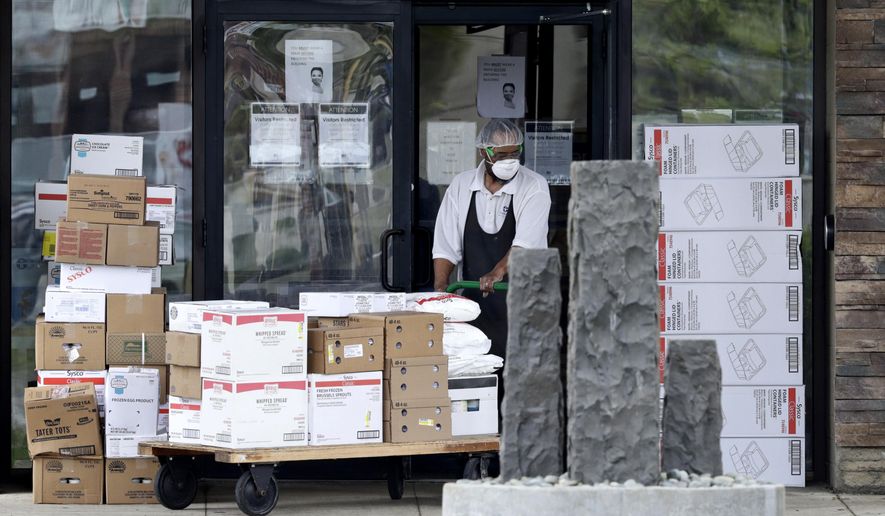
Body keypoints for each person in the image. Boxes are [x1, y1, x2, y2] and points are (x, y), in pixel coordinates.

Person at [432, 119, 551, 361]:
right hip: (474, 303)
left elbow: (526, 244)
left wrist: (497, 273)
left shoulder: (534, 186)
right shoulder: (461, 186)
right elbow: (445, 246)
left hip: (521, 301)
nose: (509, 161)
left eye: (515, 153)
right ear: (483, 152)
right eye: (500, 155)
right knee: (476, 370)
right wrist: (441, 288)